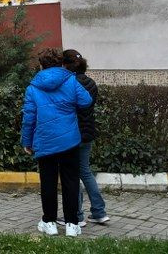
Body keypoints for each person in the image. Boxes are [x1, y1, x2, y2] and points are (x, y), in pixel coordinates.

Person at [21, 48, 92, 238]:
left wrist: (27, 141)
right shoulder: (71, 80)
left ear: (41, 65)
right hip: (70, 141)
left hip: (45, 142)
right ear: (61, 63)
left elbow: (29, 118)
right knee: (70, 182)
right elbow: (86, 101)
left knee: (48, 183)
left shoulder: (33, 87)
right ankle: (72, 225)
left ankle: (49, 223)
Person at [63, 49, 109, 226]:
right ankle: (99, 212)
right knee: (85, 172)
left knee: (72, 174)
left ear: (65, 65)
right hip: (88, 132)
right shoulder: (91, 83)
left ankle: (77, 215)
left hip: (72, 133)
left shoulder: (69, 83)